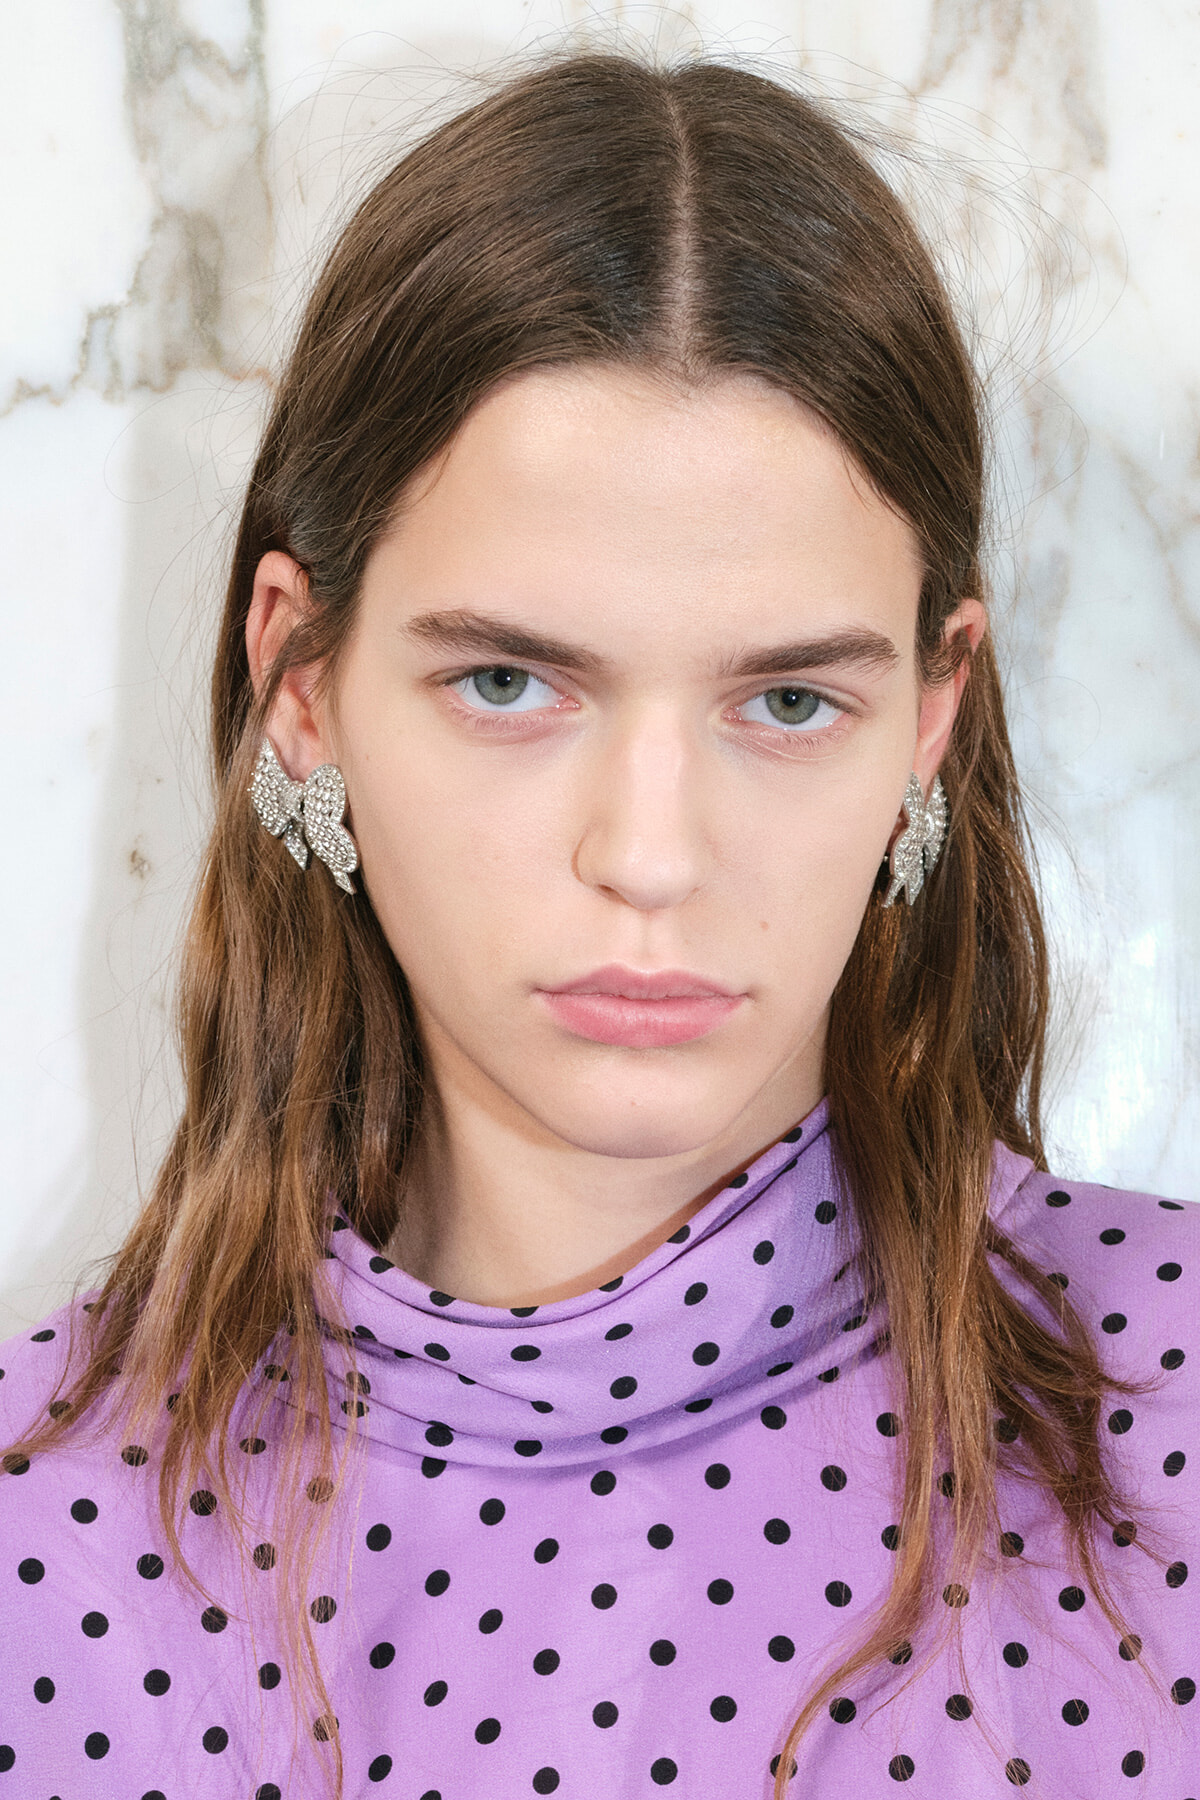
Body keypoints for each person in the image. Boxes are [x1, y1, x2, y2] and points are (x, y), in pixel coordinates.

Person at [0, 46, 1195, 1800]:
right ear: (302, 688)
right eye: (509, 682)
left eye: (787, 704)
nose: (650, 854)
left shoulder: (1168, 1401)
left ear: (931, 719)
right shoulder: (42, 1546)